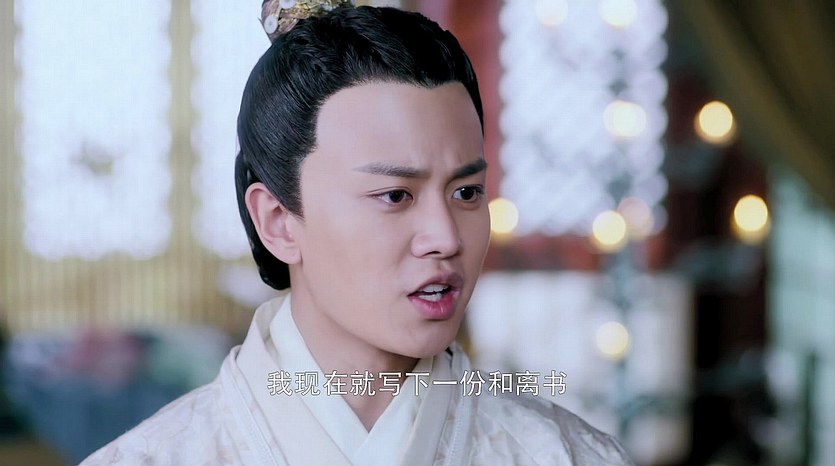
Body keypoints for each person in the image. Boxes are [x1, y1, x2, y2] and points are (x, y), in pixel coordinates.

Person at [82, 2, 633, 464]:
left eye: (466, 192)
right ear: (277, 221)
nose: (446, 238)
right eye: (395, 196)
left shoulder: (568, 455)